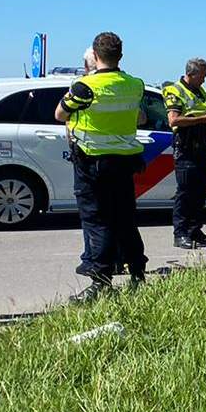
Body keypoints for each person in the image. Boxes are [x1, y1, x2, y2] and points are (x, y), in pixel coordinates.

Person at [55, 32, 148, 299]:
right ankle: (138, 274)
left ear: (95, 56)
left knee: (97, 221)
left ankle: (100, 282)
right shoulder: (135, 84)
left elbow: (59, 113)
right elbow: (139, 117)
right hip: (125, 161)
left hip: (92, 162)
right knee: (125, 218)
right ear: (120, 55)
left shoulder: (84, 86)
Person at [162, 57, 206, 249]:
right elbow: (174, 120)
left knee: (199, 193)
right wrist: (205, 118)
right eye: (202, 76)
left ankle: (195, 230)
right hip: (186, 148)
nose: (204, 80)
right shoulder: (174, 90)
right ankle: (180, 233)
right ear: (191, 74)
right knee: (186, 193)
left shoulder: (199, 91)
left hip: (202, 147)